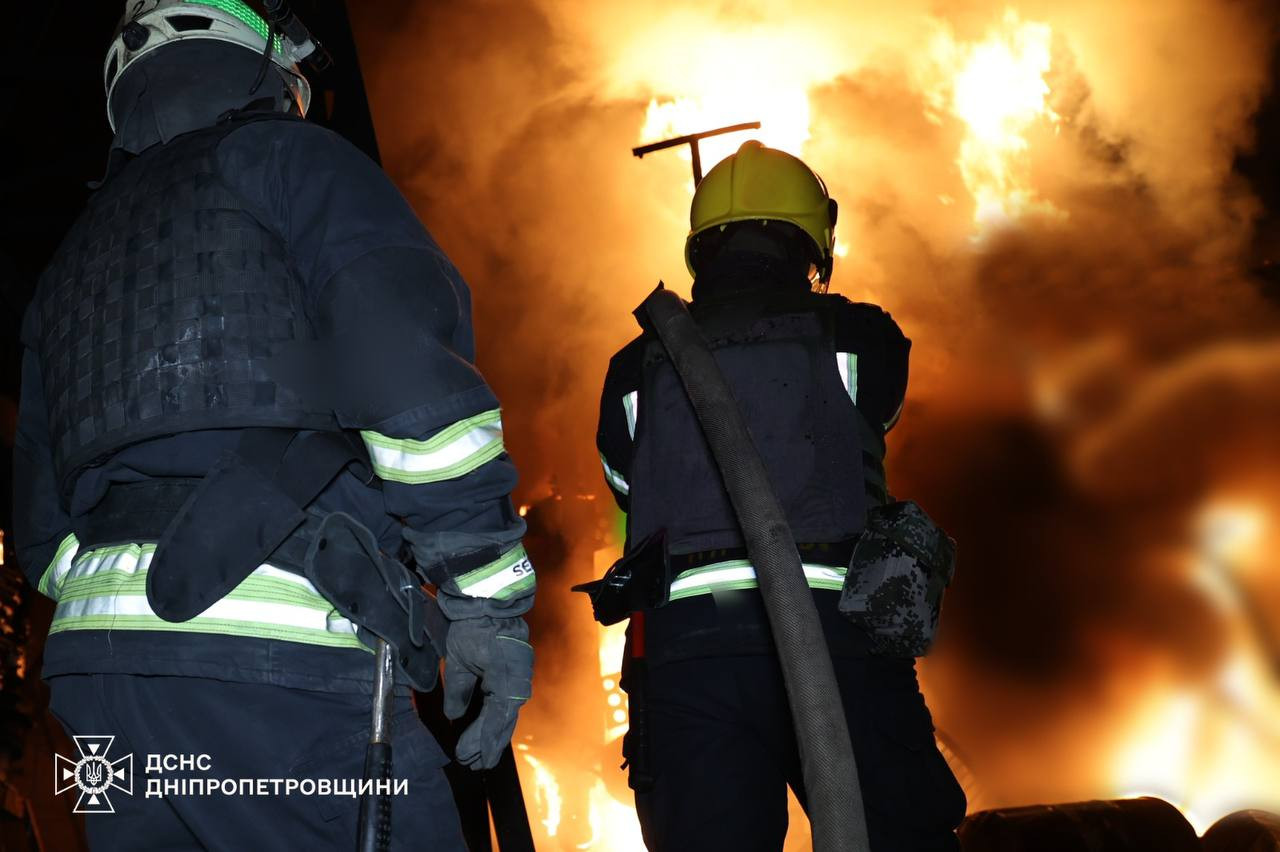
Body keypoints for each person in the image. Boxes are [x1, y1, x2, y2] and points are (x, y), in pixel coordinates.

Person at [13, 1, 533, 849]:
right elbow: (412, 384)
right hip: (280, 667)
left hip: (96, 682)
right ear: (267, 69)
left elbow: (40, 533)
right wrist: (488, 600)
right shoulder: (290, 160)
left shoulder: (70, 261)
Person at [595, 140, 966, 850]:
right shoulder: (859, 338)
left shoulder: (635, 366)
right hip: (838, 637)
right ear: (812, 243)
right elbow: (877, 413)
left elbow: (624, 485)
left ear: (700, 249)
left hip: (688, 657)